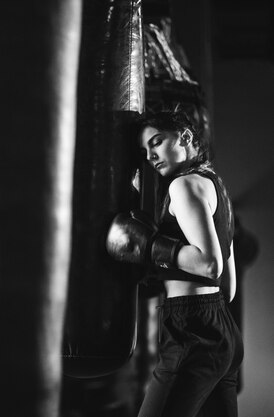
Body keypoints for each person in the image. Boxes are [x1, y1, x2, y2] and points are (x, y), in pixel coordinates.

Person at [105, 111, 244, 417]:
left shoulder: (182, 186)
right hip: (224, 334)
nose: (151, 156)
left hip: (192, 333)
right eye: (145, 152)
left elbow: (210, 266)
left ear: (186, 137)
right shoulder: (217, 187)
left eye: (157, 142)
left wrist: (150, 245)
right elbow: (229, 289)